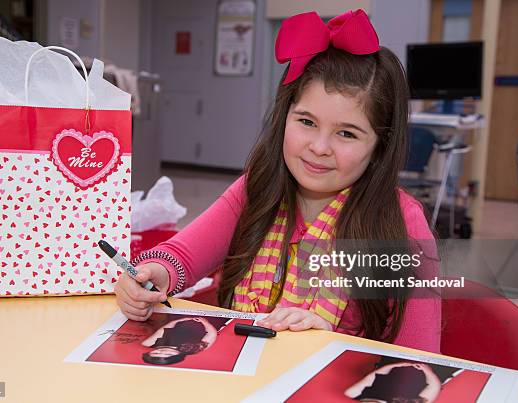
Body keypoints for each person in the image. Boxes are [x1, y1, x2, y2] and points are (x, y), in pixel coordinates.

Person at [115, 9, 441, 353]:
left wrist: (332, 343)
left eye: (346, 133)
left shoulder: (401, 222)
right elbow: (180, 256)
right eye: (306, 122)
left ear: (379, 147)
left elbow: (418, 356)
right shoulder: (257, 188)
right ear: (284, 116)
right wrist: (153, 274)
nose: (319, 147)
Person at [140, 316, 218, 365]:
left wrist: (182, 319)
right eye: (168, 354)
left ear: (149, 352)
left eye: (156, 353)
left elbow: (165, 328)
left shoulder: (152, 343)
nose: (163, 351)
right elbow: (211, 335)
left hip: (180, 320)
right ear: (178, 356)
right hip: (207, 323)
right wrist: (205, 322)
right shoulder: (193, 349)